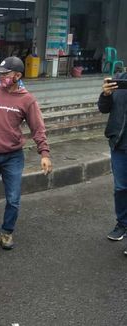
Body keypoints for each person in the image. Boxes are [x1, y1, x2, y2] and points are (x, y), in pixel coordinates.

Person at [0, 56, 53, 250]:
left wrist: (44, 153)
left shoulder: (27, 100)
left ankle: (7, 231)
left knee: (14, 198)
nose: (1, 77)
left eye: (5, 73)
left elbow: (37, 128)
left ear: (17, 75)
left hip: (13, 157)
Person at [98, 73, 127, 256]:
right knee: (121, 188)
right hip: (119, 145)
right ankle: (122, 224)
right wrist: (105, 95)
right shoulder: (119, 79)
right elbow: (103, 108)